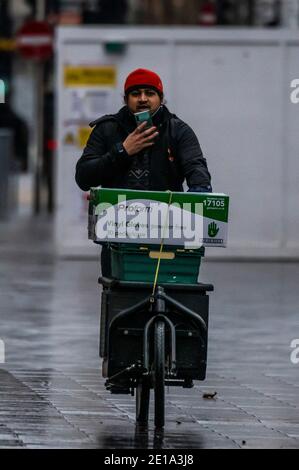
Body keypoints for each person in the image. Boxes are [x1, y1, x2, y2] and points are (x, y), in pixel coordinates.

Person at [75, 68, 212, 275]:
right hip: (117, 239)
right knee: (121, 300)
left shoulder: (178, 130)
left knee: (169, 299)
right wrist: (123, 151)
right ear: (125, 99)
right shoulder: (107, 129)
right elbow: (83, 177)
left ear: (161, 99)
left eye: (149, 93)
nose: (142, 99)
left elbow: (196, 167)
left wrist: (200, 195)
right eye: (135, 93)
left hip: (166, 236)